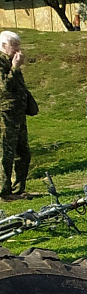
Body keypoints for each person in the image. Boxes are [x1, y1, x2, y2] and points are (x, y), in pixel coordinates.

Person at [0, 32, 33, 199]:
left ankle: (19, 188)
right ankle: (4, 192)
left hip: (18, 115)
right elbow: (4, 88)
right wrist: (15, 68)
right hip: (4, 115)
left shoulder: (11, 62)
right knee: (6, 153)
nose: (18, 49)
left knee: (23, 153)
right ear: (4, 46)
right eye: (14, 45)